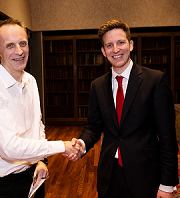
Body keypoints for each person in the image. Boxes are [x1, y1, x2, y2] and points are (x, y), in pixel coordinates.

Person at [67, 20, 179, 198]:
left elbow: (167, 138)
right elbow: (94, 127)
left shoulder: (155, 81)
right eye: (109, 45)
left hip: (145, 176)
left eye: (120, 42)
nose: (116, 50)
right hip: (110, 175)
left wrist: (167, 184)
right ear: (103, 52)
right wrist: (82, 144)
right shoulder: (97, 86)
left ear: (131, 45)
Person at [0, 18, 82, 198]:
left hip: (34, 175)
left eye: (23, 43)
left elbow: (37, 125)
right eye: (10, 46)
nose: (19, 52)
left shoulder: (30, 80)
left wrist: (41, 161)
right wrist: (62, 146)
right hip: (4, 186)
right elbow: (9, 148)